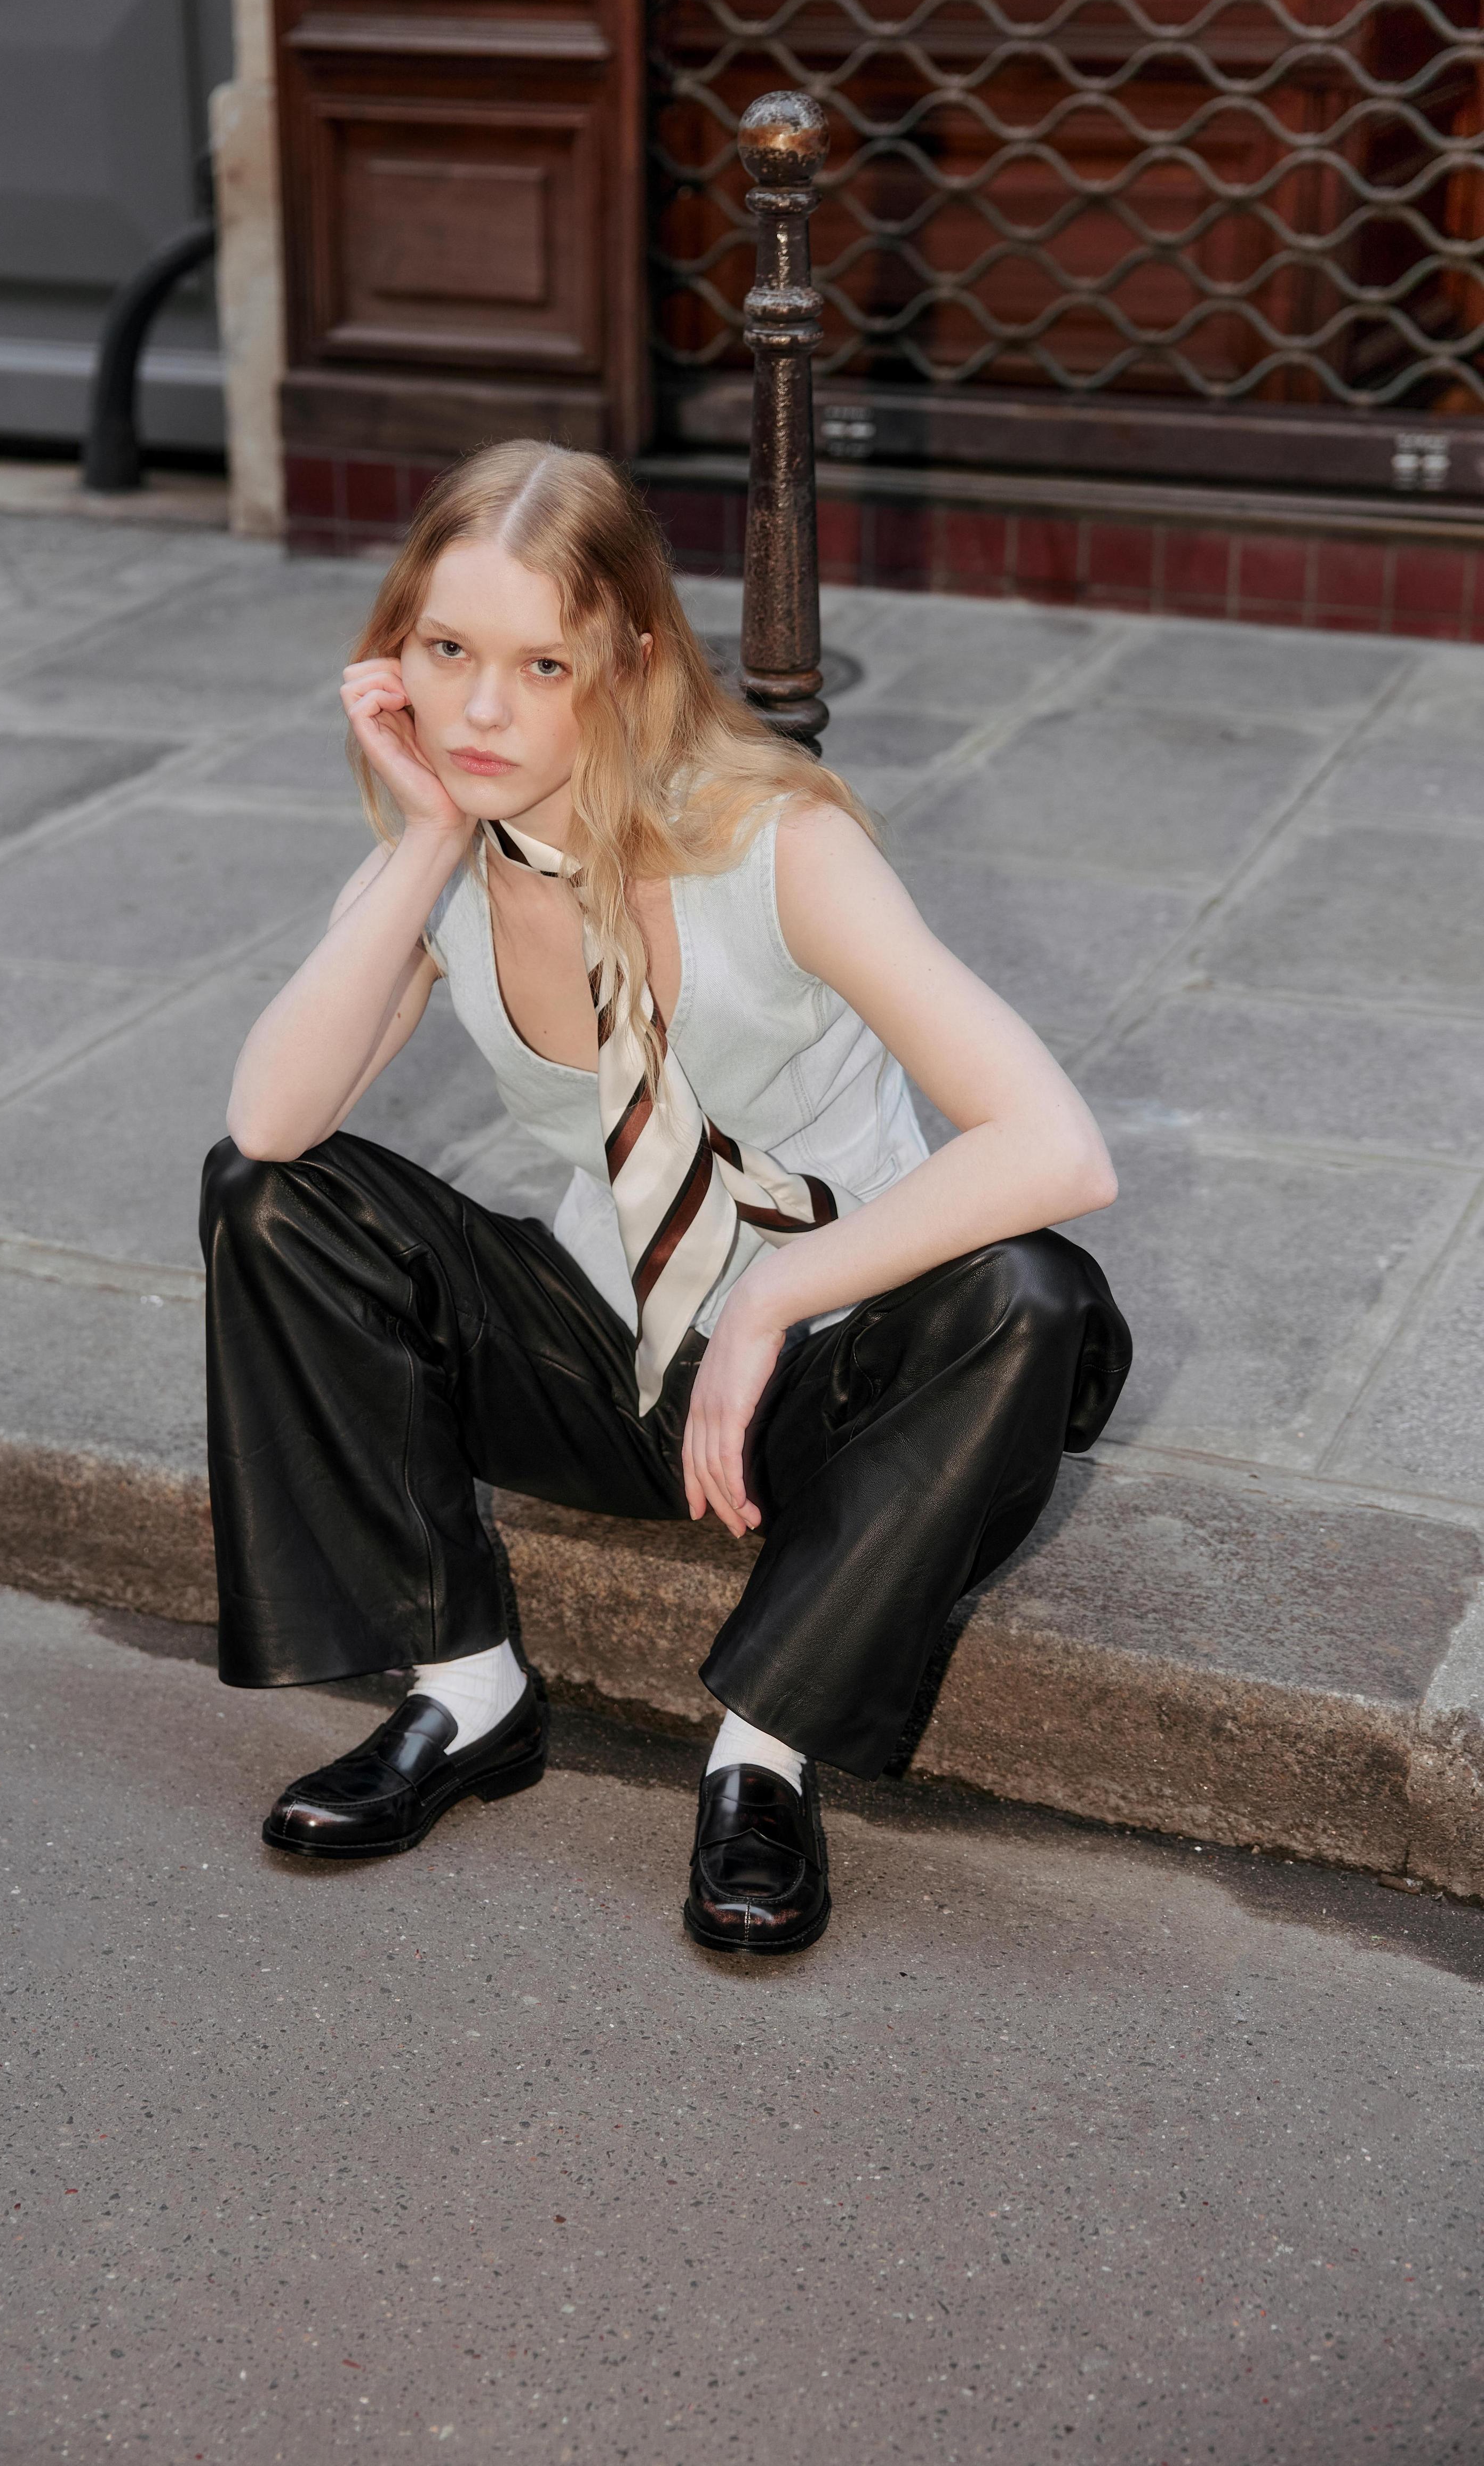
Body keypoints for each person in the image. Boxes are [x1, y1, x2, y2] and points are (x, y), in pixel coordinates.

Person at [201, 440, 1130, 1957]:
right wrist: (427, 837)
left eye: (541, 665)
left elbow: (1058, 1147)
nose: (481, 711)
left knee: (1035, 1295)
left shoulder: (779, 844)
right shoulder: (446, 862)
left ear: (630, 664)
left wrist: (774, 1297)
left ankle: (764, 1752)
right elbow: (270, 1124)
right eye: (446, 652)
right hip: (616, 1358)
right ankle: (466, 1690)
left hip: (847, 1385)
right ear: (392, 659)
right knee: (266, 1198)